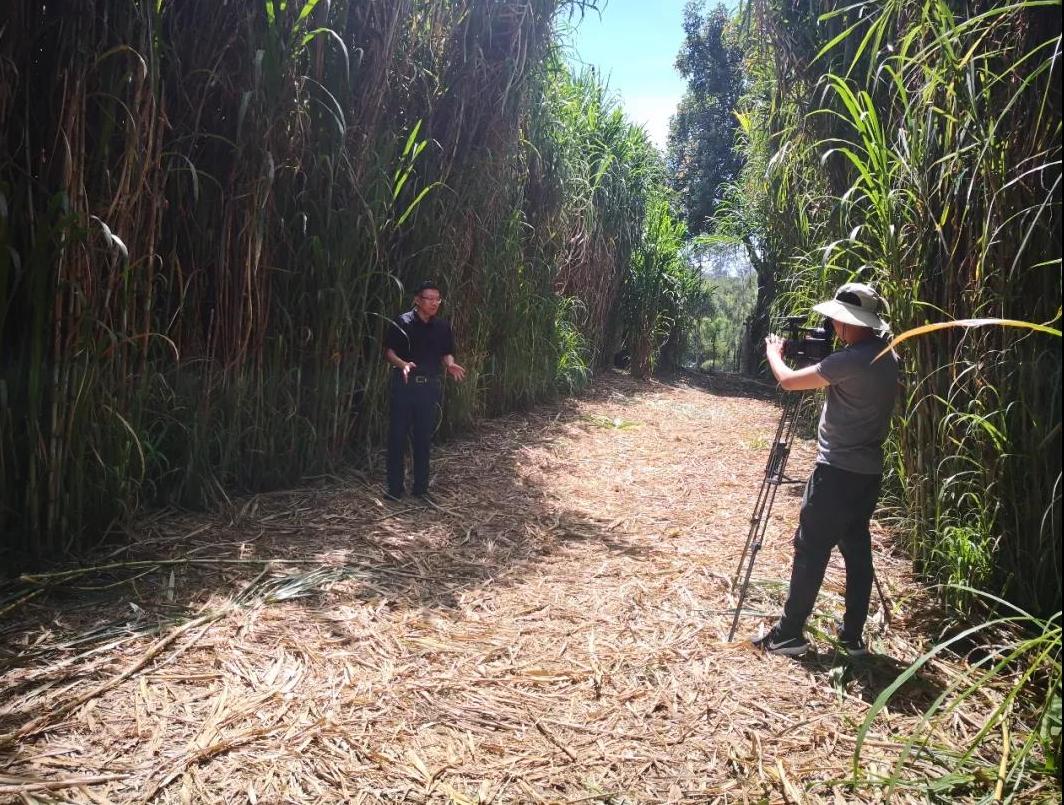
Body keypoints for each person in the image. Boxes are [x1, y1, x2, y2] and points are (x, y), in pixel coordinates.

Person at [753, 282, 899, 657]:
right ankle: (851, 638)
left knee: (810, 547)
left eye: (837, 320)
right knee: (856, 549)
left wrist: (775, 353)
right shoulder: (887, 356)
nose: (833, 326)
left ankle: (788, 634)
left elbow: (787, 381)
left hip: (836, 472)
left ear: (851, 323)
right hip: (867, 473)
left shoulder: (849, 361)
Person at [383, 281, 466, 501]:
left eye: (437, 299)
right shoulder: (403, 322)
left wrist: (450, 364)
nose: (434, 303)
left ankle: (421, 489)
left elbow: (446, 352)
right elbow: (389, 352)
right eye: (428, 298)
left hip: (428, 387)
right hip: (404, 385)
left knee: (423, 438)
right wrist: (403, 364)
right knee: (397, 437)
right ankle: (394, 489)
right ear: (418, 300)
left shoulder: (442, 327)